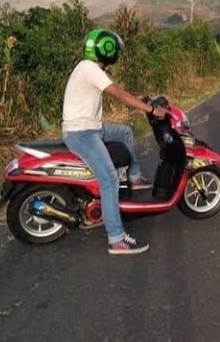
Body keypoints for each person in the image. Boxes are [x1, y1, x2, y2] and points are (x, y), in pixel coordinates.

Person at [62, 28, 167, 255]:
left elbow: (118, 92)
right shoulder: (91, 70)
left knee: (125, 132)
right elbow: (118, 94)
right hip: (82, 134)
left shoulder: (88, 67)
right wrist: (150, 109)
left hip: (92, 127)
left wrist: (138, 101)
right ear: (107, 50)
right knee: (108, 179)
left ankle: (134, 177)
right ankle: (116, 238)